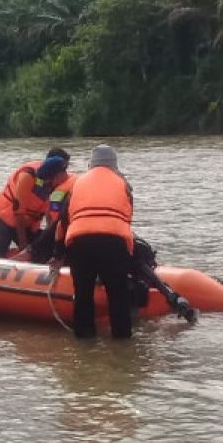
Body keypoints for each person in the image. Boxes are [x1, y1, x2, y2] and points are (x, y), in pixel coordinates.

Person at [51, 144, 135, 339]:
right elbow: (127, 219)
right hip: (114, 242)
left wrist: (57, 254)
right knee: (118, 296)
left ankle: (84, 345)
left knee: (82, 295)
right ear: (114, 166)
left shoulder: (77, 184)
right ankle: (122, 344)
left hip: (80, 243)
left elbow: (62, 222)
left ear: (91, 165)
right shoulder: (123, 184)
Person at [0, 148, 71, 257]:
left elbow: (50, 215)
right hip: (4, 218)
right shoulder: (28, 175)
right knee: (0, 247)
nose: (66, 172)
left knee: (44, 248)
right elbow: (19, 212)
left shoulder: (57, 181)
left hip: (28, 224)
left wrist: (49, 238)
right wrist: (23, 246)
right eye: (63, 168)